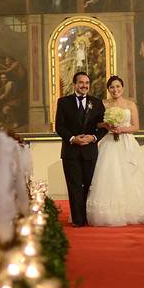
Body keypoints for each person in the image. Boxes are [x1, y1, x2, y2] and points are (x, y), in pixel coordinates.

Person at [86, 75, 144, 226]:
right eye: (112, 87)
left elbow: (136, 127)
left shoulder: (130, 104)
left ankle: (135, 209)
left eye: (118, 86)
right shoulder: (103, 104)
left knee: (132, 174)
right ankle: (111, 212)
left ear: (122, 88)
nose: (115, 90)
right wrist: (107, 125)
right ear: (108, 89)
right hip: (109, 143)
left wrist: (122, 129)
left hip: (127, 142)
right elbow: (97, 124)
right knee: (111, 174)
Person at [55, 71, 107, 226]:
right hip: (70, 151)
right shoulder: (63, 102)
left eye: (87, 83)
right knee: (74, 186)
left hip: (90, 151)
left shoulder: (97, 103)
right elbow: (59, 126)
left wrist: (94, 137)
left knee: (89, 186)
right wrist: (72, 139)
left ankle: (88, 217)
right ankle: (78, 220)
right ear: (74, 84)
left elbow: (104, 126)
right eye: (81, 82)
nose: (84, 85)